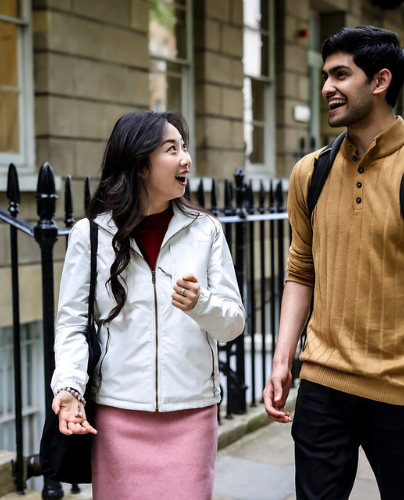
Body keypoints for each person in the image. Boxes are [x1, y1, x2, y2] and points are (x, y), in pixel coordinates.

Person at [263, 26, 404, 499]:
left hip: (403, 395)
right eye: (325, 76)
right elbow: (301, 271)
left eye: (341, 75)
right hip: (322, 385)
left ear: (380, 81)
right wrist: (283, 358)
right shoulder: (311, 171)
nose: (327, 87)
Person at [50, 110, 245, 500]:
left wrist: (201, 305)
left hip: (191, 412)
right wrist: (70, 386)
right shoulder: (90, 235)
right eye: (172, 149)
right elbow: (71, 324)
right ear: (140, 165)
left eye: (184, 147)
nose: (186, 159)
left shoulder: (205, 230)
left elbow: (233, 324)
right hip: (118, 416)